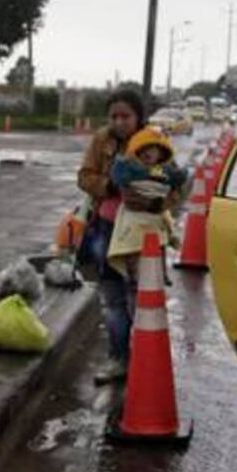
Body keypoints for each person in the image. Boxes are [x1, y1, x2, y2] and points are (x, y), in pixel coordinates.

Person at [78, 89, 177, 384]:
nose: (120, 122)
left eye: (126, 116)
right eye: (114, 116)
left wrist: (153, 202)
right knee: (112, 299)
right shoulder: (102, 140)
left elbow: (174, 186)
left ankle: (145, 361)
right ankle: (118, 359)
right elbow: (84, 176)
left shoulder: (155, 143)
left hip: (145, 238)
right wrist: (112, 187)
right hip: (107, 230)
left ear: (139, 117)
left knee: (142, 300)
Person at [106, 128, 188, 285]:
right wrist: (150, 202)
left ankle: (160, 273)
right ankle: (133, 276)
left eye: (152, 149)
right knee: (132, 245)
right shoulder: (130, 169)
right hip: (135, 216)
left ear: (161, 153)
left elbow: (177, 179)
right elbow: (123, 184)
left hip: (156, 217)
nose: (147, 153)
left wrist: (166, 198)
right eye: (142, 150)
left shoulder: (162, 170)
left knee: (159, 244)